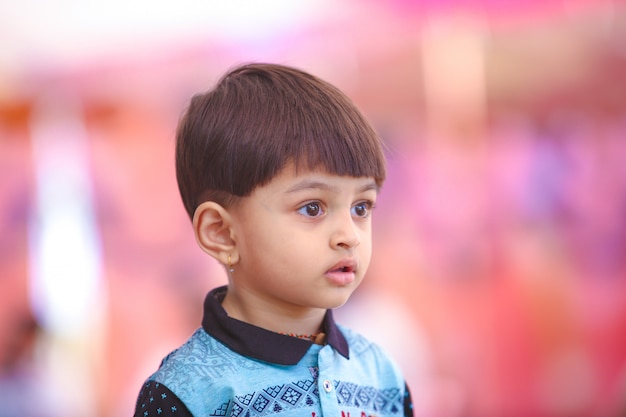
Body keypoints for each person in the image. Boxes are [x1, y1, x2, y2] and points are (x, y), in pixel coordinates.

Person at [133, 62, 414, 417]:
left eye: (361, 207)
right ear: (221, 233)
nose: (349, 236)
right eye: (312, 208)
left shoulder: (381, 374)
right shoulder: (186, 394)